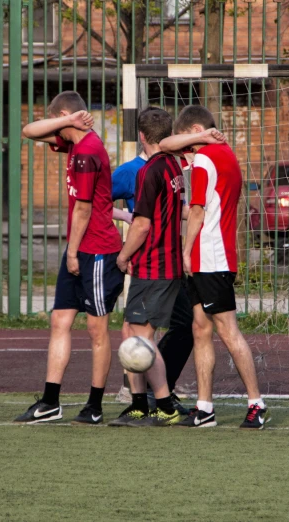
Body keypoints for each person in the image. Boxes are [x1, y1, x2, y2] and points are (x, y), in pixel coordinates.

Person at [14, 91, 123, 425]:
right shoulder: (73, 142)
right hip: (79, 248)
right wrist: (67, 121)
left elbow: (85, 210)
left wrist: (73, 252)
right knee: (60, 320)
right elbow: (29, 131)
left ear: (64, 114)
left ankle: (94, 406)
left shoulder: (88, 150)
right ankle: (50, 401)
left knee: (96, 330)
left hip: (97, 250)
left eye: (58, 118)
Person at [160, 105, 269, 429]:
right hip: (212, 255)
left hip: (211, 256)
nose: (185, 152)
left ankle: (256, 403)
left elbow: (197, 211)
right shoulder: (226, 155)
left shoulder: (207, 159)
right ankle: (204, 408)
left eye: (188, 144)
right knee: (200, 328)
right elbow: (167, 145)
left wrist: (185, 252)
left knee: (227, 330)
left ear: (195, 132)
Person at [107, 107, 188, 427]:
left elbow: (141, 225)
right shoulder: (175, 165)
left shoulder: (149, 171)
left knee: (140, 338)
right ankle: (140, 404)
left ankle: (163, 405)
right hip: (165, 263)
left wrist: (123, 255)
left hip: (153, 264)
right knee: (132, 333)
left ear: (142, 136)